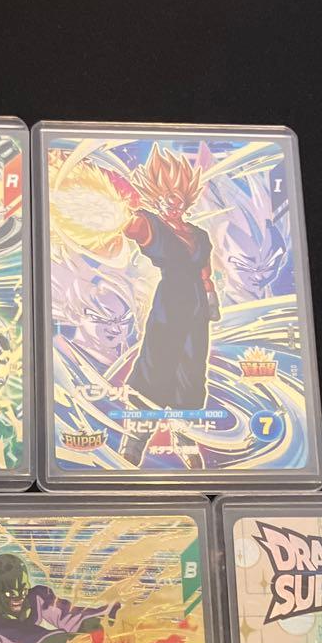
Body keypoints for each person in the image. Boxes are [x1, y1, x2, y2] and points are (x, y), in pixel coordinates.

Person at [118, 146, 219, 468]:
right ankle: (135, 441)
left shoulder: (199, 234)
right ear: (155, 197)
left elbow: (204, 271)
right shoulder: (150, 224)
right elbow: (130, 227)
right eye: (165, 197)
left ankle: (185, 437)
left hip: (196, 307)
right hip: (170, 302)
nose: (172, 203)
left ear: (186, 199)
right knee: (156, 365)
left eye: (177, 197)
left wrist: (210, 296)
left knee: (191, 370)